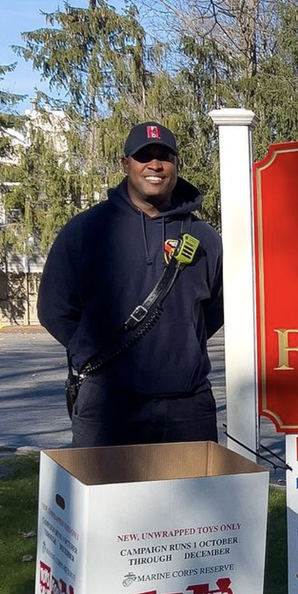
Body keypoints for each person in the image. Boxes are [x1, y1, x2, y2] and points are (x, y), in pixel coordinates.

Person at [39, 122, 223, 447]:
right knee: (99, 484)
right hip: (107, 405)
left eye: (164, 157)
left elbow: (216, 309)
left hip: (187, 408)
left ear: (176, 164)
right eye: (144, 157)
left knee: (192, 484)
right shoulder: (86, 231)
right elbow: (54, 309)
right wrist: (91, 351)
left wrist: (180, 347)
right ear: (126, 164)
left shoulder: (204, 238)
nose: (155, 165)